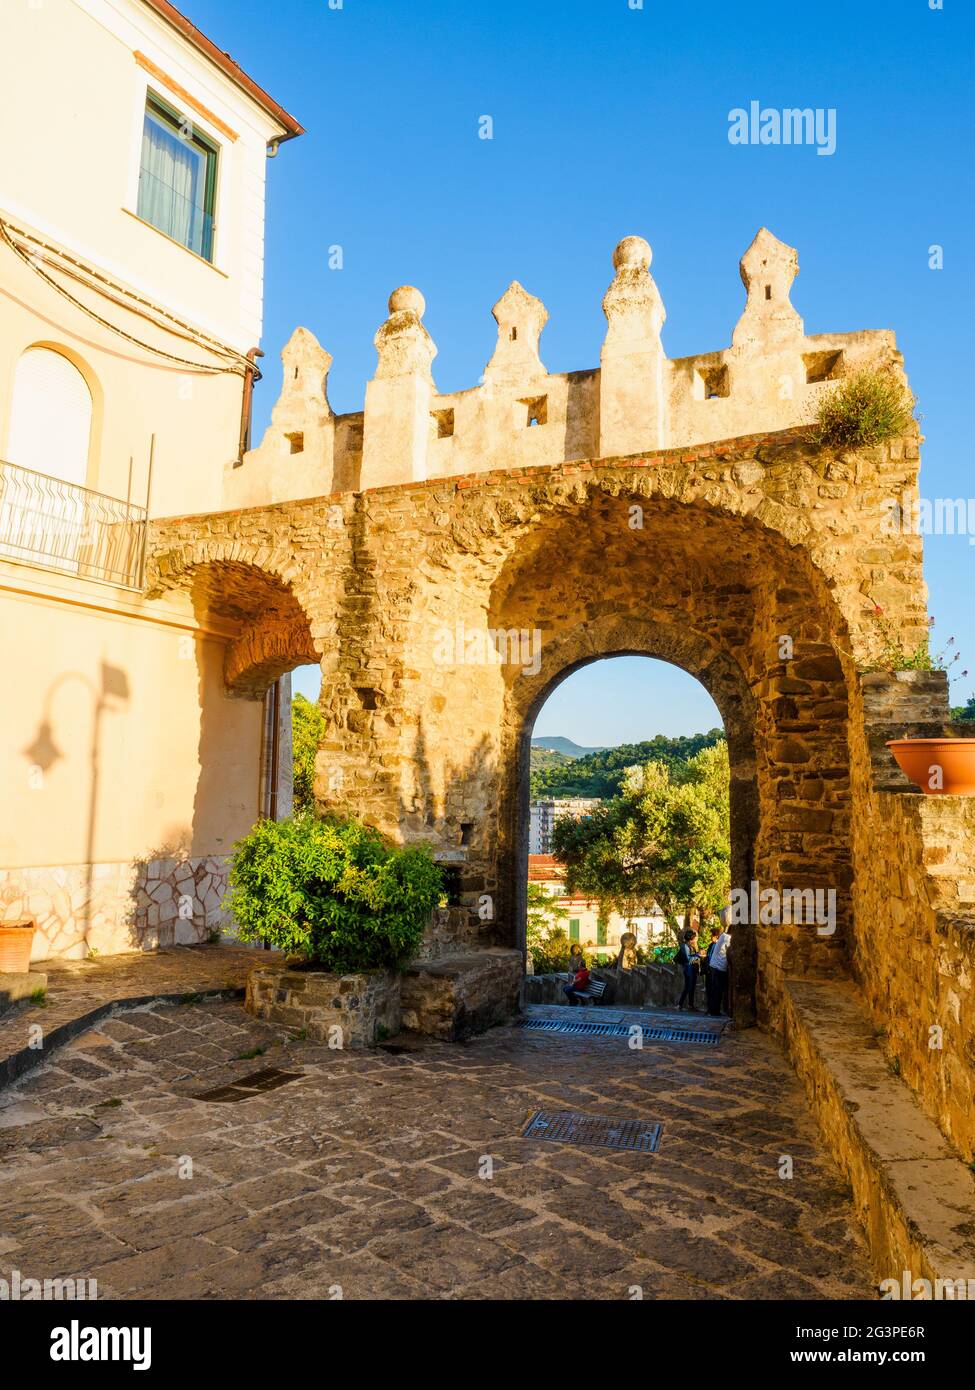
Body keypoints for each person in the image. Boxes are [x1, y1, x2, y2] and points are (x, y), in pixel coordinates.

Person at [705, 915, 732, 1017]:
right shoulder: (728, 938)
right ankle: (714, 1011)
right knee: (718, 990)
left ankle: (712, 1010)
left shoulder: (723, 936)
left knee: (715, 990)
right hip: (719, 968)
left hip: (714, 966)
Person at [675, 928, 701, 1011]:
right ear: (691, 939)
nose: (695, 940)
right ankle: (680, 1005)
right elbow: (688, 959)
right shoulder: (685, 947)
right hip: (688, 969)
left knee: (692, 987)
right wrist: (698, 955)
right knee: (687, 987)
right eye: (694, 938)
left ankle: (690, 1005)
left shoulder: (691, 946)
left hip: (692, 969)